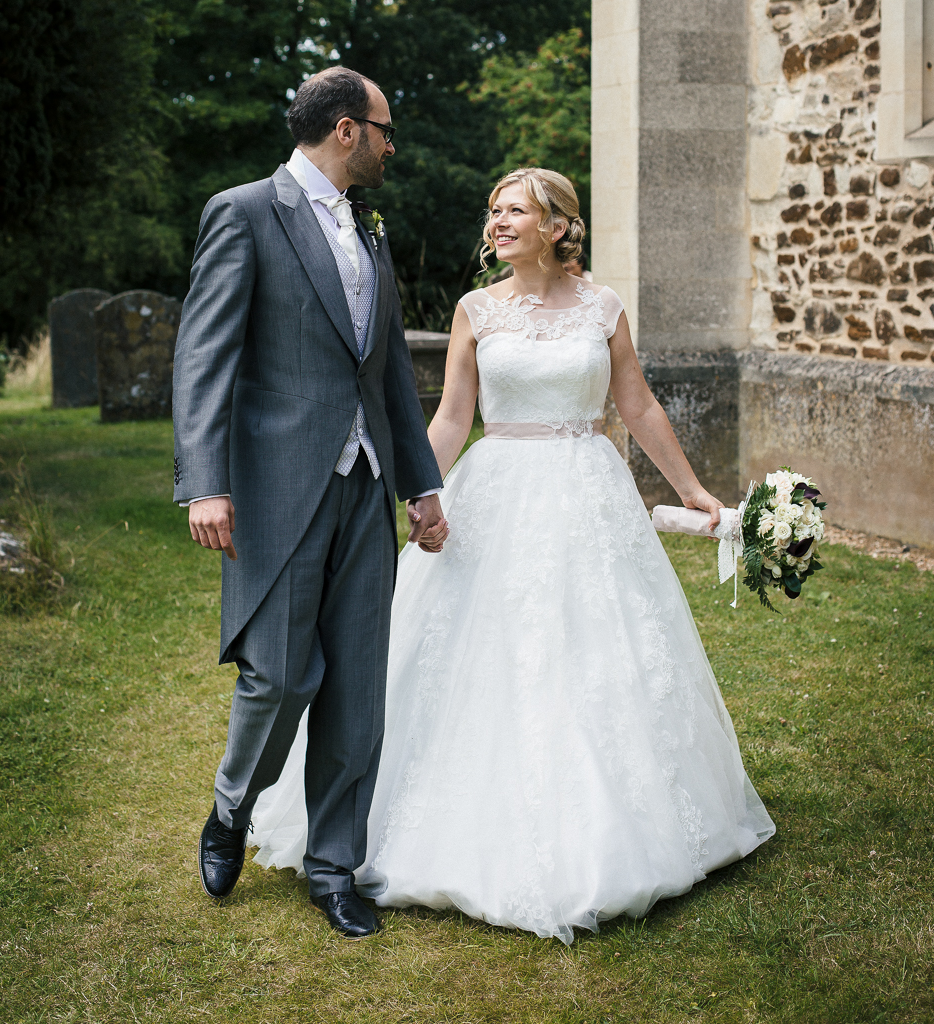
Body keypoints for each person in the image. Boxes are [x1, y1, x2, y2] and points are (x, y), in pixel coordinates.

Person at [247, 168, 776, 942]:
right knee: (469, 653)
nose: (497, 222)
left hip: (588, 493)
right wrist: (417, 494)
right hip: (493, 491)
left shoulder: (604, 308)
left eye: (515, 211)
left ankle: (618, 823)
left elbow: (636, 403)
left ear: (558, 226)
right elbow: (453, 415)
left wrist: (693, 488)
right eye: (493, 211)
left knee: (598, 649)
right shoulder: (475, 310)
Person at [171, 67, 447, 940]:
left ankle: (335, 867)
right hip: (277, 484)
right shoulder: (244, 211)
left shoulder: (371, 228)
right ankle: (230, 809)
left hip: (366, 486)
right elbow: (204, 355)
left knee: (357, 690)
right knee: (281, 676)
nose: (390, 145)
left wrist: (422, 483)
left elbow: (390, 367)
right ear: (344, 130)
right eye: (384, 129)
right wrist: (204, 482)